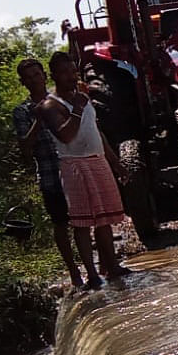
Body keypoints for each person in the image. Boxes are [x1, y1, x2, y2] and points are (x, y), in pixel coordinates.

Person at [38, 52, 128, 289]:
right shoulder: (49, 105)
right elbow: (66, 135)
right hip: (74, 165)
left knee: (105, 219)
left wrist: (115, 162)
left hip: (97, 161)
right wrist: (76, 109)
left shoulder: (83, 98)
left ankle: (112, 266)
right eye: (65, 72)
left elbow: (96, 132)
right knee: (82, 223)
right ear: (54, 75)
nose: (70, 77)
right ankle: (91, 274)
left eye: (73, 71)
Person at [11, 57, 83, 289]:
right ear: (23, 82)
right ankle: (74, 273)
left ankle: (93, 267)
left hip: (72, 166)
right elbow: (25, 147)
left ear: (45, 75)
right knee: (60, 223)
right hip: (50, 173)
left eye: (37, 75)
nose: (34, 80)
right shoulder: (22, 111)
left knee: (83, 220)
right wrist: (40, 119)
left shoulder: (61, 99)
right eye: (29, 78)